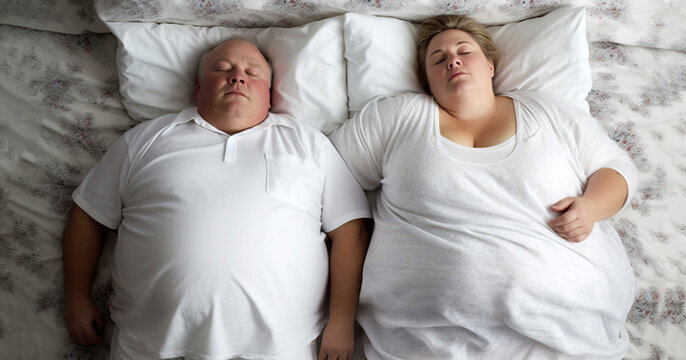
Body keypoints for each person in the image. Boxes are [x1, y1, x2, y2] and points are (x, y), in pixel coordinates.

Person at [330, 15, 637, 360]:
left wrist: (592, 207)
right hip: (424, 340)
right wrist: (339, 316)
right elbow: (325, 177)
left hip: (563, 331)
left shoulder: (546, 112)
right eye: (438, 58)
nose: (453, 60)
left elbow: (616, 168)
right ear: (427, 80)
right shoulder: (399, 118)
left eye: (464, 51)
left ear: (491, 66)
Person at [63, 38, 371, 360]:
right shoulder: (146, 140)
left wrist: (341, 320)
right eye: (223, 69)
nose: (237, 77)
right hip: (150, 347)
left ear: (270, 93)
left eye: (252, 72)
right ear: (197, 87)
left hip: (279, 350)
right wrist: (76, 297)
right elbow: (88, 213)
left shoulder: (309, 145)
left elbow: (351, 230)